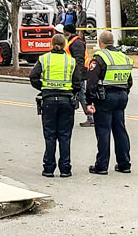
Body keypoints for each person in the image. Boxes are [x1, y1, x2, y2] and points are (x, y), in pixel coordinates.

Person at [29, 33, 81, 177]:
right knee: (65, 136)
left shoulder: (44, 59)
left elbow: (33, 76)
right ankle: (65, 169)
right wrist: (70, 90)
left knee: (50, 136)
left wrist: (44, 88)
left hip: (49, 100)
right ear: (65, 45)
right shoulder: (71, 61)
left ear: (52, 44)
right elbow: (78, 82)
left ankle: (48, 168)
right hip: (66, 100)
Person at [86, 30, 133, 175]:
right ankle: (124, 164)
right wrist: (124, 93)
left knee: (103, 131)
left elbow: (92, 82)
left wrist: (89, 101)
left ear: (100, 43)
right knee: (120, 130)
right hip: (121, 96)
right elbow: (129, 81)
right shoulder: (123, 57)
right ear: (113, 42)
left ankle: (102, 166)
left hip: (105, 97)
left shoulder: (99, 57)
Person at [63, 23, 93, 127]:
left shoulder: (76, 43)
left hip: (79, 73)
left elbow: (79, 61)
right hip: (77, 73)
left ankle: (91, 117)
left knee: (82, 95)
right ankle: (89, 117)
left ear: (67, 32)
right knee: (79, 96)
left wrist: (77, 76)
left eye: (64, 31)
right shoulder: (74, 41)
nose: (63, 33)